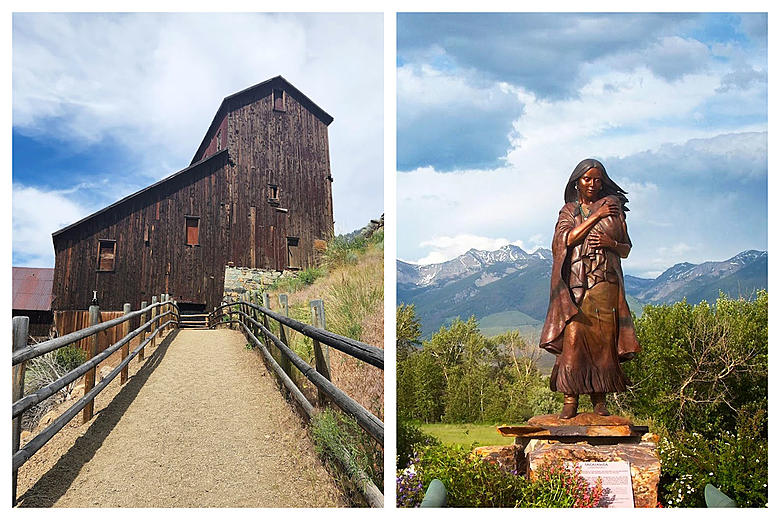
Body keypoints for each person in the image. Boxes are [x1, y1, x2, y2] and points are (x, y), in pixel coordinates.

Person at [539, 158, 641, 419]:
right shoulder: (569, 211)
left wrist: (610, 242)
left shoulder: (614, 209)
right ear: (577, 183)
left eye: (598, 179)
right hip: (575, 285)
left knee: (604, 342)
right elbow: (566, 240)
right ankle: (570, 399)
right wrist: (596, 216)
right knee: (573, 340)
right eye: (587, 179)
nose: (593, 184)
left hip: (605, 283)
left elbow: (626, 249)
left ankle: (600, 399)